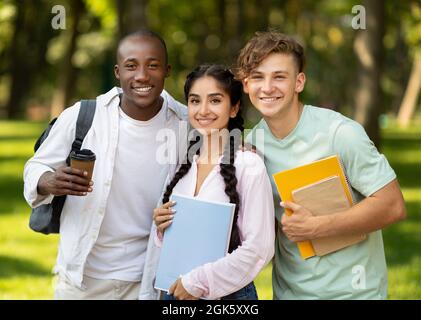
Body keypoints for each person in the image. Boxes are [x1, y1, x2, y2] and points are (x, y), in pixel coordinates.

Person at [235, 31, 407, 300]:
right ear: (246, 84)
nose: (267, 87)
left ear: (299, 82)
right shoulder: (250, 149)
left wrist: (318, 227)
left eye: (279, 76)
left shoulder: (341, 133)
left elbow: (393, 205)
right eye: (258, 77)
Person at [23, 29, 188, 299]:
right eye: (131, 66)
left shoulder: (187, 123)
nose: (142, 75)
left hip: (150, 279)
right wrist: (47, 181)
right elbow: (35, 167)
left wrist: (241, 146)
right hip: (82, 279)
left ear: (167, 70)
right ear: (117, 72)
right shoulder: (84, 115)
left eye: (153, 65)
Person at [152, 65, 275, 300]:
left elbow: (260, 247)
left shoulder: (248, 165)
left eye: (215, 100)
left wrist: (198, 282)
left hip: (229, 295)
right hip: (175, 291)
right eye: (195, 101)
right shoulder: (182, 165)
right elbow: (179, 241)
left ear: (234, 108)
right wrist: (161, 226)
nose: (203, 110)